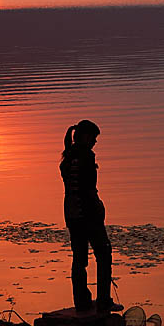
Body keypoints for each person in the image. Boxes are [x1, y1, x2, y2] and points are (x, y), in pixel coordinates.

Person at [59, 120, 123, 313]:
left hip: (71, 213)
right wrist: (98, 209)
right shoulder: (85, 156)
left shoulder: (67, 158)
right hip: (87, 214)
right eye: (94, 137)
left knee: (79, 258)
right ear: (85, 137)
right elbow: (87, 189)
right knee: (103, 253)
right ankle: (103, 300)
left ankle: (82, 301)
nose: (95, 142)